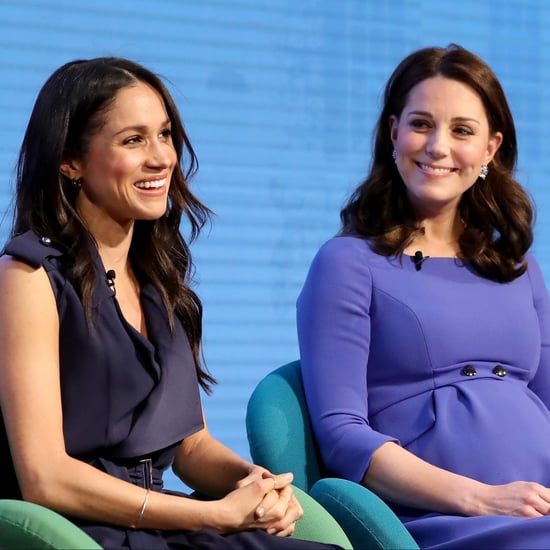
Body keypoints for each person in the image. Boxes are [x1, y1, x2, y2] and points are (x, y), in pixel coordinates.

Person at [0, 57, 343, 550]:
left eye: (164, 135)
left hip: (166, 522)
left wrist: (255, 484)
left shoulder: (159, 280)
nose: (161, 157)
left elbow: (191, 446)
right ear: (70, 161)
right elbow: (44, 477)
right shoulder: (28, 277)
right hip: (83, 531)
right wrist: (214, 515)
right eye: (133, 140)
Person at [297, 43, 550, 549]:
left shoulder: (517, 267)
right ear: (393, 133)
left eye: (461, 130)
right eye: (420, 124)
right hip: (445, 521)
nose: (437, 146)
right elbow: (342, 434)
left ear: (490, 149)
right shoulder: (347, 263)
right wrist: (480, 498)